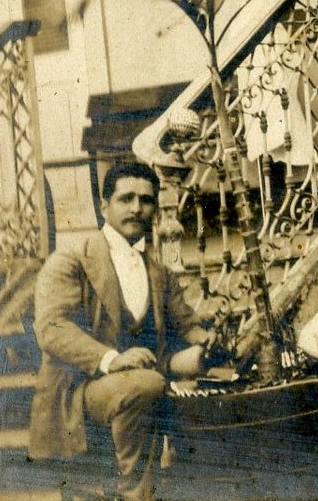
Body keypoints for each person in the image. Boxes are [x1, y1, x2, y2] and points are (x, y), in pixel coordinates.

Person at [29, 161, 207, 501]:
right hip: (79, 388)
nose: (137, 208)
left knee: (167, 384)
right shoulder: (71, 260)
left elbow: (188, 326)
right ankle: (133, 494)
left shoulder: (159, 273)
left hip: (136, 387)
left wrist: (209, 342)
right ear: (104, 206)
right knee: (146, 383)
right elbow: (52, 328)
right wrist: (111, 359)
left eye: (146, 200)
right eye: (126, 199)